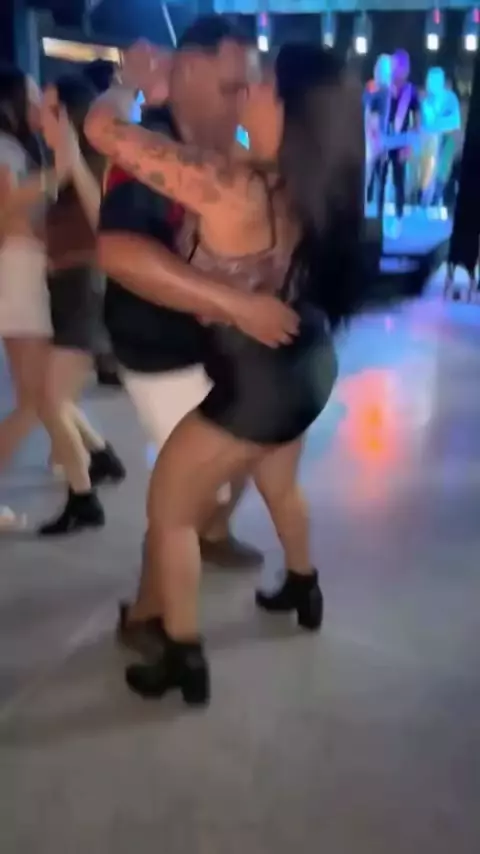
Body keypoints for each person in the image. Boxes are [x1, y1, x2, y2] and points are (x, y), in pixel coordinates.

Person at [86, 37, 366, 706]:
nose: (247, 93)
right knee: (280, 486)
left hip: (255, 381)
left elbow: (100, 131)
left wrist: (131, 85)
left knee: (171, 513)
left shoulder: (231, 186)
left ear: (289, 110)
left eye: (261, 86)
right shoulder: (312, 181)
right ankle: (303, 584)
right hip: (308, 362)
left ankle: (182, 654)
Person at [97, 18, 264, 653]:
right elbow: (120, 253)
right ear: (188, 72)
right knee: (185, 489)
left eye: (248, 89)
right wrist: (233, 305)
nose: (241, 103)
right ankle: (147, 616)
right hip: (158, 349)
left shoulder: (228, 149)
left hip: (210, 345)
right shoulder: (150, 149)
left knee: (237, 458)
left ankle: (209, 533)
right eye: (230, 88)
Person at [37, 74, 125, 536]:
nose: (41, 116)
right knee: (51, 397)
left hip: (84, 290)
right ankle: (101, 458)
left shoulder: (93, 165)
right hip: (65, 290)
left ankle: (83, 497)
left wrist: (70, 159)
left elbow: (102, 224)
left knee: (51, 400)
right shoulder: (60, 166)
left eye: (50, 109)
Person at [0, 65, 59, 528]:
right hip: (18, 272)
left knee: (36, 397)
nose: (40, 103)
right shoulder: (6, 148)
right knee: (35, 397)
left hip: (23, 269)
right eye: (33, 95)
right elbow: (5, 211)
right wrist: (57, 172)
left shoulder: (20, 147)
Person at [375, 49, 420, 238]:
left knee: (398, 182)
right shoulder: (383, 87)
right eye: (395, 65)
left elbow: (417, 121)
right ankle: (377, 222)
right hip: (383, 141)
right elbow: (375, 116)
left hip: (401, 142)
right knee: (380, 181)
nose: (398, 70)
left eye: (402, 66)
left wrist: (409, 146)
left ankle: (399, 218)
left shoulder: (411, 91)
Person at [420, 67, 461, 208]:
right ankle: (426, 201)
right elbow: (426, 124)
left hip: (447, 141)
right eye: (428, 80)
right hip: (430, 142)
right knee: (428, 175)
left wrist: (438, 123)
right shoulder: (426, 101)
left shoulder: (451, 98)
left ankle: (437, 200)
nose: (429, 84)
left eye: (433, 80)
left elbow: (454, 122)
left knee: (442, 175)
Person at [365, 54, 392, 207]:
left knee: (380, 177)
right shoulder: (373, 87)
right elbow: (368, 111)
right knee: (370, 175)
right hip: (373, 136)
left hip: (380, 136)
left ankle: (377, 209)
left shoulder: (386, 90)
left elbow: (382, 116)